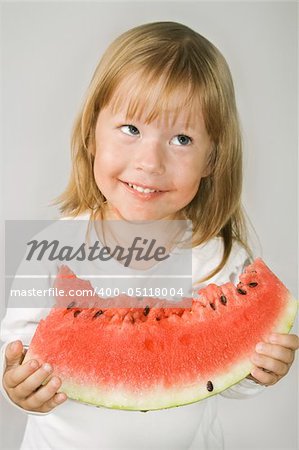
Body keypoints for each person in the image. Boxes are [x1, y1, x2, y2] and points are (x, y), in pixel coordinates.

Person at [1, 21, 298, 450]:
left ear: (213, 158)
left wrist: (256, 371)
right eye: (131, 129)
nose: (150, 161)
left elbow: (223, 377)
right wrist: (19, 389)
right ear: (91, 134)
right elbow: (20, 350)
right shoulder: (50, 248)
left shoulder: (218, 258)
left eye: (181, 138)